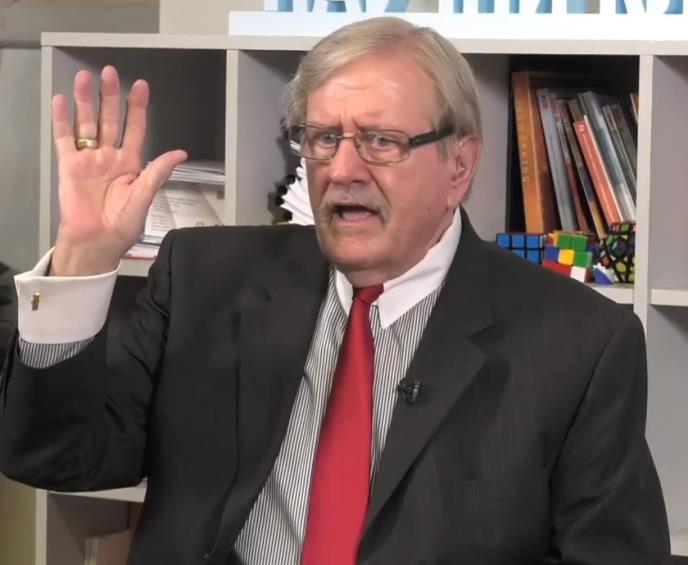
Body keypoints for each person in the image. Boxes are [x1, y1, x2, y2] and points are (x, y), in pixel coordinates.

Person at [0, 16, 670, 565]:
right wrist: (84, 256)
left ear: (459, 166)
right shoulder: (205, 277)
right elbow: (61, 457)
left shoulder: (579, 343)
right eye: (322, 138)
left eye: (381, 141)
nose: (343, 169)